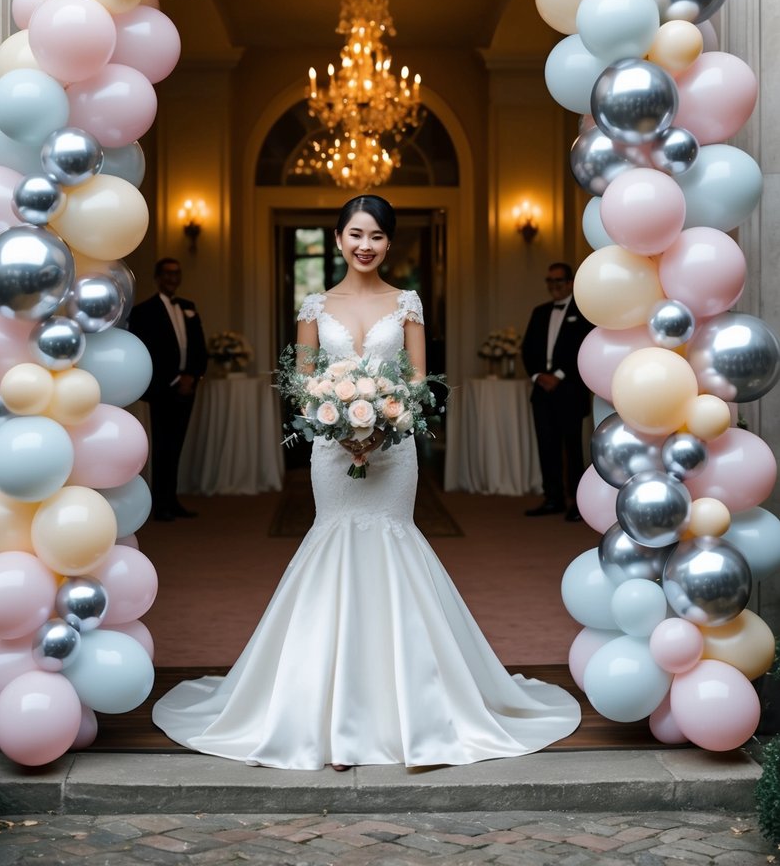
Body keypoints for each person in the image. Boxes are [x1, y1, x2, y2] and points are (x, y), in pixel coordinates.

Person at [153, 195, 580, 769]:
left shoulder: (407, 302)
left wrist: (387, 422)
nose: (365, 245)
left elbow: (420, 378)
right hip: (332, 451)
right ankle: (320, 708)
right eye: (355, 234)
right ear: (337, 239)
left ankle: (414, 705)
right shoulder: (313, 304)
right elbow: (301, 382)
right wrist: (335, 418)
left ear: (388, 243)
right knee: (332, 542)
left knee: (393, 541)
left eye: (376, 236)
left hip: (395, 450)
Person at [128, 257, 208, 522]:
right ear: (158, 277)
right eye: (168, 273)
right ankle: (160, 504)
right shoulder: (143, 311)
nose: (173, 278)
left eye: (177, 273)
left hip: (188, 386)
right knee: (162, 447)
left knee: (177, 447)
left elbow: (198, 346)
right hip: (163, 389)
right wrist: (174, 379)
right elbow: (146, 354)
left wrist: (193, 376)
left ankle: (172, 501)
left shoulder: (188, 307)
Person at [521, 262, 594, 522]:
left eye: (558, 281)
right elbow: (527, 349)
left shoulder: (583, 313)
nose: (554, 286)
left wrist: (559, 376)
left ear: (570, 282)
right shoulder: (539, 312)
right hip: (542, 392)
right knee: (546, 446)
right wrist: (538, 376)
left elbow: (583, 350)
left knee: (572, 449)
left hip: (569, 392)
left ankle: (577, 502)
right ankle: (552, 497)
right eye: (549, 281)